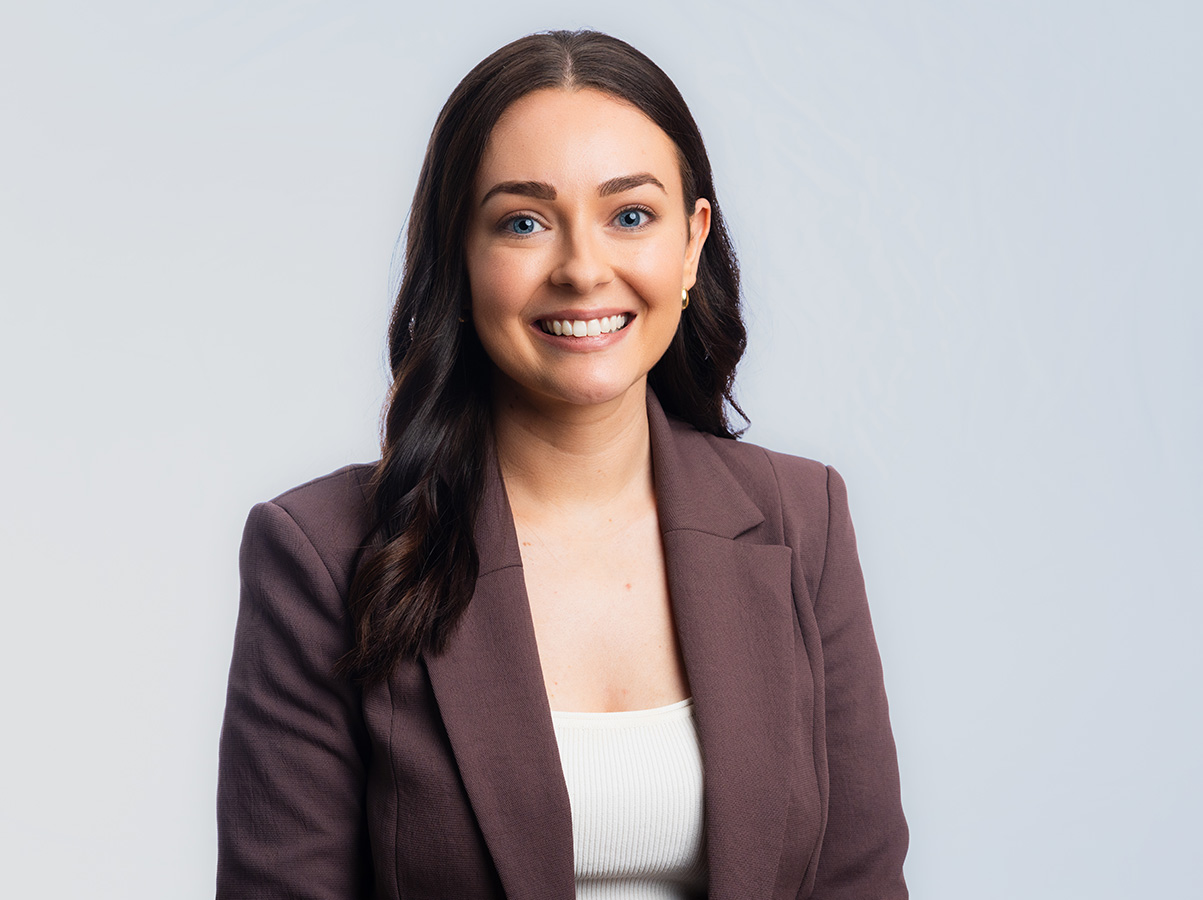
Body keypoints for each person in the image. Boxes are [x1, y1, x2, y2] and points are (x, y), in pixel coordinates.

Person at [216, 29, 908, 900]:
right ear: (459, 256)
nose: (583, 270)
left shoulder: (802, 519)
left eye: (630, 216)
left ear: (691, 243)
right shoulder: (320, 552)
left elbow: (857, 882)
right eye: (523, 223)